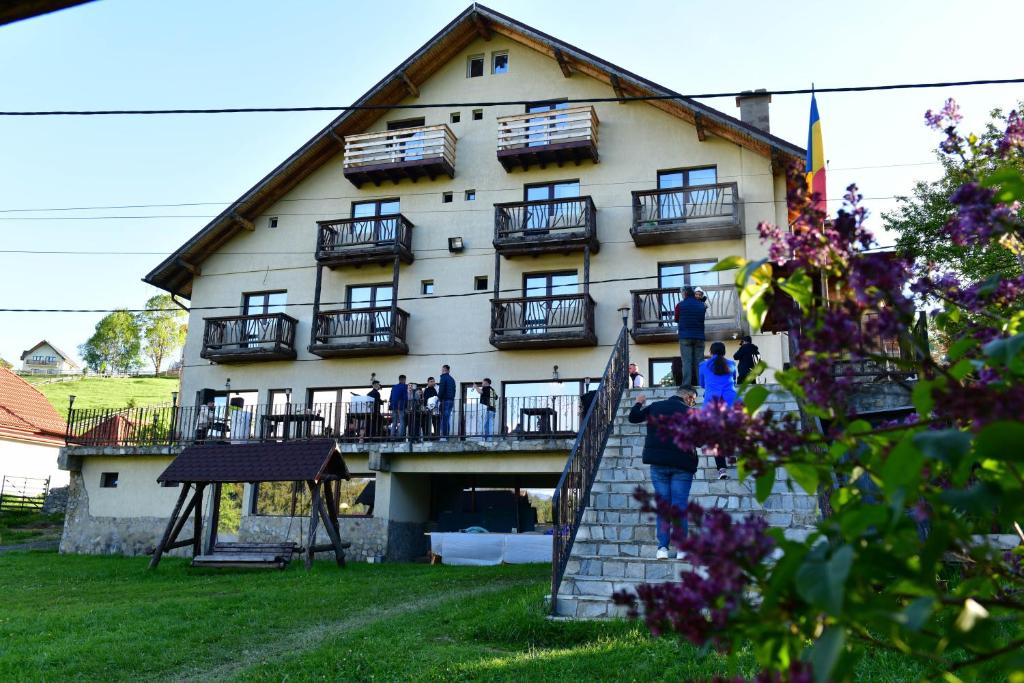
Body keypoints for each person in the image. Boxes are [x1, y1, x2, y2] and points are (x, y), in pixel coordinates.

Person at [628, 386, 699, 560]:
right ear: (689, 397)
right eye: (694, 399)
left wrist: (638, 403)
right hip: (682, 465)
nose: (694, 402)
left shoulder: (655, 407)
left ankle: (662, 549)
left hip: (658, 464)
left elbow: (634, 417)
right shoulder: (691, 413)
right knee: (679, 505)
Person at [699, 341, 739, 480]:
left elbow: (702, 384)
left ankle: (722, 469)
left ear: (711, 352)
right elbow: (734, 381)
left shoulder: (703, 365)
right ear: (724, 352)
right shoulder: (732, 364)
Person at [674, 286, 706, 386]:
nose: (681, 295)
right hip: (700, 337)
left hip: (685, 337)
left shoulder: (680, 305)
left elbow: (676, 319)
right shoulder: (702, 305)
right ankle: (701, 384)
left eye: (682, 293)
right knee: (699, 362)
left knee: (687, 361)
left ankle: (686, 384)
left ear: (685, 293)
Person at [438, 364, 456, 439]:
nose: (442, 371)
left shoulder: (443, 378)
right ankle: (446, 436)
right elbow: (454, 390)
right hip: (451, 400)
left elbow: (441, 389)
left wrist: (438, 398)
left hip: (445, 400)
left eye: (442, 370)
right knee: (447, 418)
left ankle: (444, 436)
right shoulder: (452, 379)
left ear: (443, 370)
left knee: (444, 419)